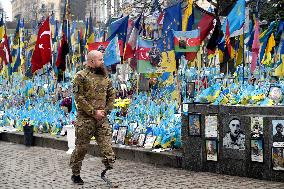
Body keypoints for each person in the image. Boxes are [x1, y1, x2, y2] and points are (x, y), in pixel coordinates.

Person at [69, 50, 116, 185]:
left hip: (102, 119)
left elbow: (111, 95)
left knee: (107, 148)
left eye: (102, 59)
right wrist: (93, 112)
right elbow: (79, 98)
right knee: (81, 148)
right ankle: (76, 173)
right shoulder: (81, 76)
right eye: (100, 60)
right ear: (91, 61)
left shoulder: (105, 77)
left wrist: (105, 111)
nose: (103, 62)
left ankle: (107, 167)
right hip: (86, 120)